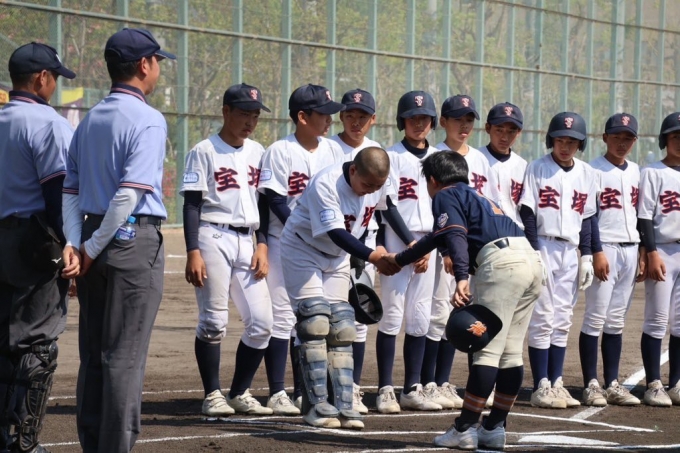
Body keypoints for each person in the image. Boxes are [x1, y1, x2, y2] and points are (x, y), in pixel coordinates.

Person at [62, 28, 175, 452]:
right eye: (157, 61)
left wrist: (76, 244)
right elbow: (129, 194)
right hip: (130, 242)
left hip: (91, 233)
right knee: (124, 358)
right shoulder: (148, 118)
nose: (159, 68)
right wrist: (89, 249)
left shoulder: (91, 118)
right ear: (144, 65)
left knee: (94, 354)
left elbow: (70, 190)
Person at [384, 151, 544, 450]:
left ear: (433, 180)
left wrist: (460, 277)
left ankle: (465, 428)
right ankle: (494, 428)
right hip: (532, 262)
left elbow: (455, 235)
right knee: (510, 354)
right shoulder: (475, 196)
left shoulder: (445, 195)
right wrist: (400, 259)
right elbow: (437, 237)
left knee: (487, 353)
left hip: (502, 267)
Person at [279, 147, 399, 428]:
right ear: (353, 170)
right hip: (303, 249)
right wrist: (372, 256)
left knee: (342, 327)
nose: (371, 191)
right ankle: (314, 405)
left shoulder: (377, 183)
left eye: (377, 186)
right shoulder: (326, 183)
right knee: (314, 322)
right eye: (367, 184)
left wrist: (368, 253)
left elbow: (378, 215)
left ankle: (342, 403)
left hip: (339, 255)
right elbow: (335, 232)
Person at [1, 42, 77, 453]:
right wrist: (70, 244)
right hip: (34, 244)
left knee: (2, 340)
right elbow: (56, 193)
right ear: (42, 78)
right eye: (54, 78)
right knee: (38, 343)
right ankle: (24, 442)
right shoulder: (48, 123)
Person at [180, 83, 274, 417]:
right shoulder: (204, 150)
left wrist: (262, 243)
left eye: (255, 115)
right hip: (212, 235)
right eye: (244, 113)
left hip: (248, 240)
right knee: (213, 322)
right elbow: (192, 204)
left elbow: (264, 204)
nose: (250, 121)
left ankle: (238, 392)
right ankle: (212, 395)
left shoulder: (259, 151)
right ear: (226, 112)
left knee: (262, 322)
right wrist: (193, 250)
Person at [258, 84, 345, 413]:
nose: (330, 119)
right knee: (284, 317)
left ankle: (304, 391)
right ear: (302, 117)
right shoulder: (279, 151)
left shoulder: (333, 151)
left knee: (317, 319)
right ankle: (277, 391)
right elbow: (275, 200)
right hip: (286, 242)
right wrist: (304, 229)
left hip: (325, 245)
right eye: (323, 114)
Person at [422, 94, 498, 411]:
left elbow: (486, 205)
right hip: (441, 243)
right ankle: (428, 383)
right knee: (436, 314)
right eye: (457, 119)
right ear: (443, 122)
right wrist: (446, 249)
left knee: (458, 312)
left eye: (469, 119)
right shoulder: (433, 156)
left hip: (469, 248)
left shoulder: (479, 159)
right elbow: (433, 207)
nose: (464, 125)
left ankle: (443, 382)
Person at [519, 112, 599, 409]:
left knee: (563, 317)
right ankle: (541, 384)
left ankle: (556, 381)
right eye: (560, 140)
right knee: (542, 315)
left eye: (572, 142)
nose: (565, 146)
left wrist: (587, 255)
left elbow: (588, 218)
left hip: (570, 250)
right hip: (544, 244)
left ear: (581, 144)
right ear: (551, 140)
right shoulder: (537, 167)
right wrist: (533, 251)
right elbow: (527, 212)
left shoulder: (587, 173)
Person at [376, 90, 441, 414]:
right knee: (392, 315)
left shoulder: (440, 158)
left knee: (420, 317)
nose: (419, 123)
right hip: (397, 242)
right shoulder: (390, 156)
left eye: (424, 118)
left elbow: (446, 204)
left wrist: (430, 243)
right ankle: (385, 388)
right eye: (412, 118)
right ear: (402, 121)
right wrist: (412, 245)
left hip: (429, 242)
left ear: (432, 122)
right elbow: (386, 205)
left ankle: (411, 388)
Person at [579, 113, 641, 406]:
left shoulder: (637, 171)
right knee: (595, 317)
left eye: (627, 137)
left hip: (632, 248)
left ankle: (613, 382)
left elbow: (641, 214)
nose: (621, 142)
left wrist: (643, 251)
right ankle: (591, 383)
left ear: (635, 141)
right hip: (605, 248)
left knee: (616, 320)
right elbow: (588, 216)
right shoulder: (593, 170)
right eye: (616, 136)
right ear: (604, 137)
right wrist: (596, 250)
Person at [329, 88, 381, 414]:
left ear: (372, 119)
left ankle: (353, 388)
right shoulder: (328, 149)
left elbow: (384, 206)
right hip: (330, 243)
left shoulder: (377, 152)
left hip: (365, 243)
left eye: (363, 116)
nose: (356, 121)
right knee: (327, 319)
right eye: (350, 115)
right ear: (341, 116)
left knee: (359, 320)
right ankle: (321, 390)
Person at [637, 111, 680, 407]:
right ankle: (653, 383)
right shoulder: (652, 172)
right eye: (675, 136)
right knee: (656, 319)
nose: (679, 141)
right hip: (662, 250)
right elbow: (645, 216)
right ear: (665, 139)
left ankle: (676, 382)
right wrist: (650, 252)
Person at [479, 102, 527, 228]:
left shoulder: (524, 166)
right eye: (499, 130)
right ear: (488, 128)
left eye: (511, 131)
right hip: (482, 231)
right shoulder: (474, 159)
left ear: (519, 132)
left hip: (516, 232)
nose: (505, 137)